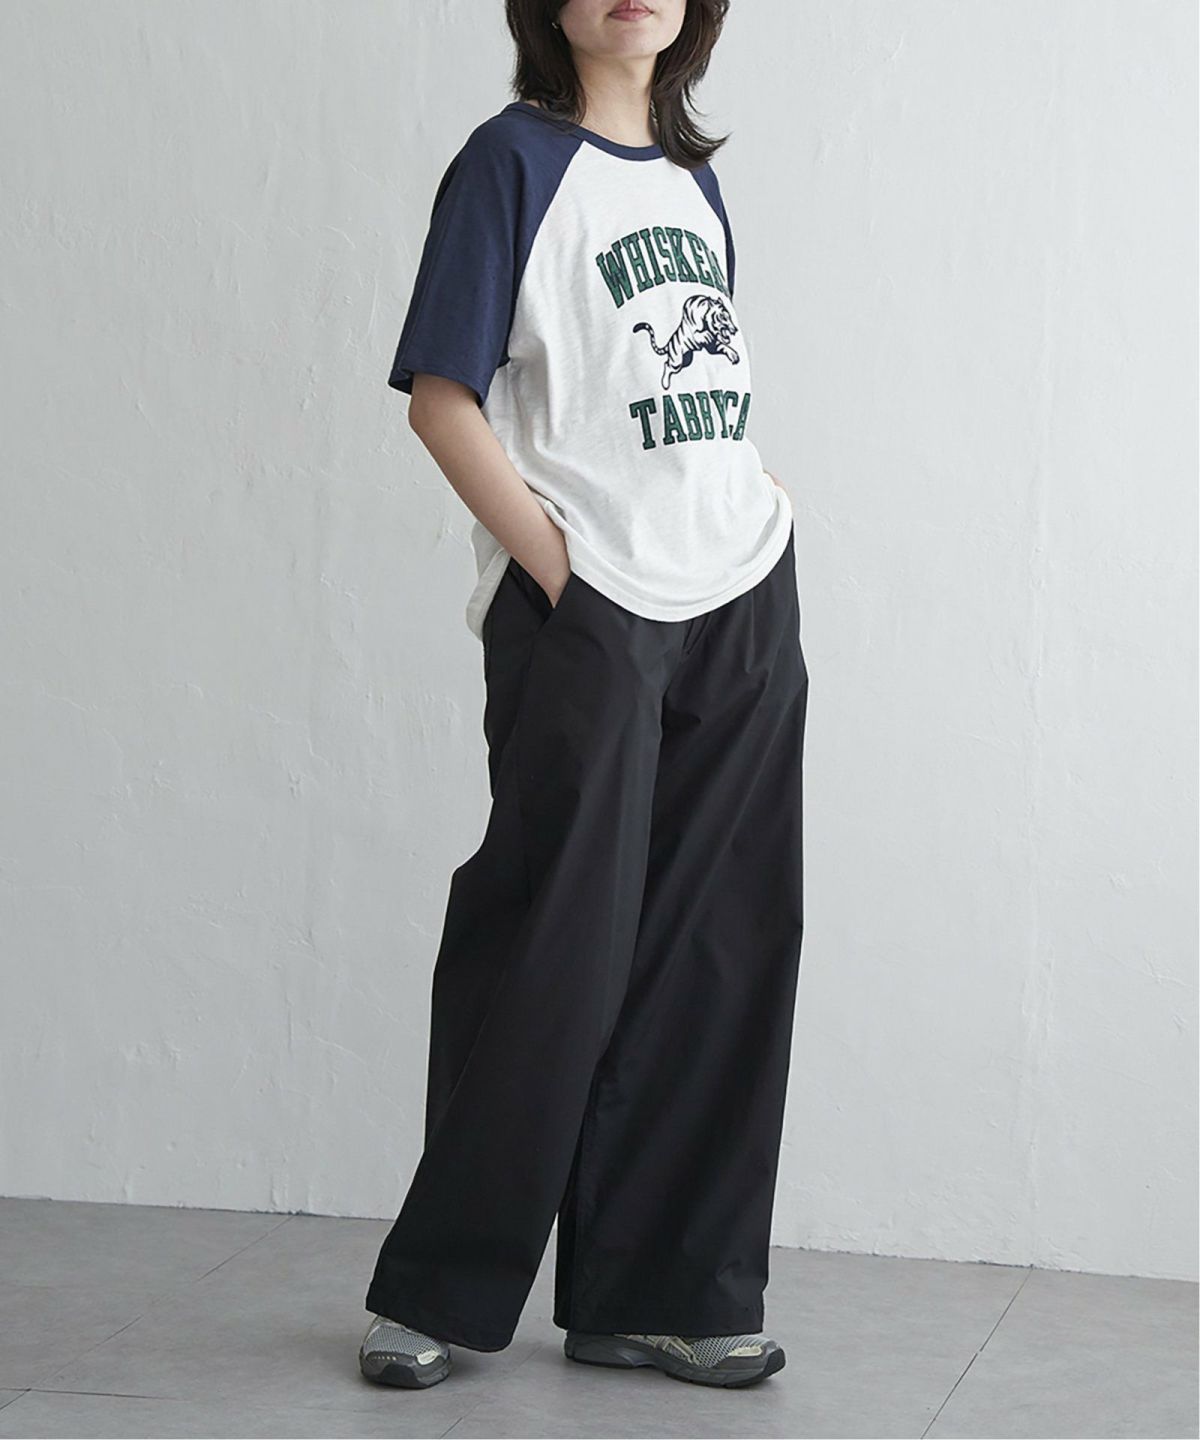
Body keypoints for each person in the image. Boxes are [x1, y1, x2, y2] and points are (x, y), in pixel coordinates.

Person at [359, 0, 808, 1391]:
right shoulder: (510, 161)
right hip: (594, 604)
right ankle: (441, 1290)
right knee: (553, 933)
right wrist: (560, 572)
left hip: (739, 589)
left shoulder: (694, 185)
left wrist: (758, 508)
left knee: (719, 947)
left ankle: (662, 1294)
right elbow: (442, 397)